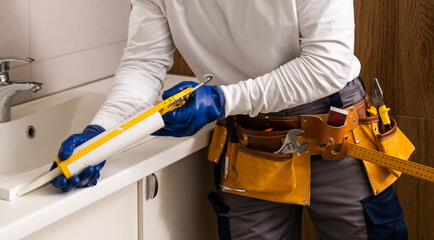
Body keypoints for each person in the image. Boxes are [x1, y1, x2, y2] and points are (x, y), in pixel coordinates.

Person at [50, 1, 408, 239]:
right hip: (248, 139)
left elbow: (326, 64)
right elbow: (144, 64)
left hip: (331, 130)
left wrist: (224, 99)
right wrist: (100, 136)